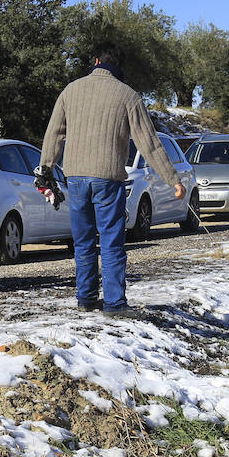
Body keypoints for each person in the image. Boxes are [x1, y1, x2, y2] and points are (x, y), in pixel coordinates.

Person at [39, 42, 186, 316]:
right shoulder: (128, 95)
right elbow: (149, 143)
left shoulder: (70, 90)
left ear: (95, 61)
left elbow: (53, 134)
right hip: (108, 177)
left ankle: (86, 298)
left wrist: (45, 171)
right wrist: (172, 179)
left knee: (82, 241)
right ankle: (115, 304)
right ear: (119, 68)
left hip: (75, 175)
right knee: (111, 242)